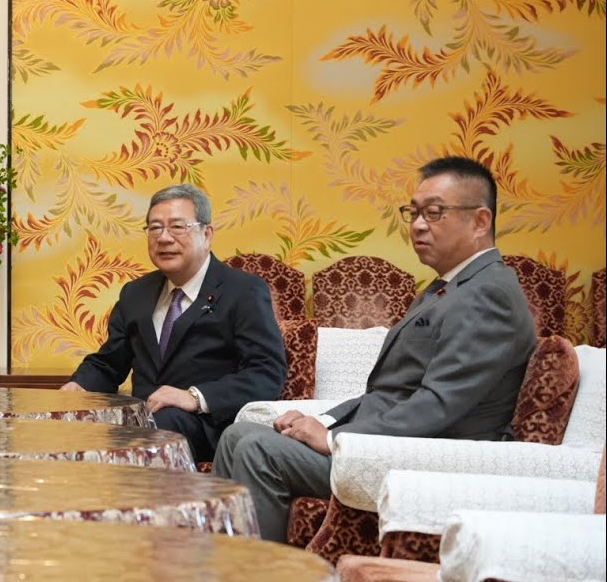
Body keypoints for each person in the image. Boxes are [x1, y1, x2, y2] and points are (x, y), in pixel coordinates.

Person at [212, 156, 538, 542]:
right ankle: (224, 561)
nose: (418, 225)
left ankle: (257, 568)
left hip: (428, 458)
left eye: (434, 213)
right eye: (413, 213)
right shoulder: (449, 288)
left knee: (256, 449)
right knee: (237, 434)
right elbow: (387, 393)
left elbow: (438, 404)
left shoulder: (488, 294)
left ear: (480, 221)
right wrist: (324, 421)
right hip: (390, 443)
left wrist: (333, 440)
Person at [60, 183, 287, 463]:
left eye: (177, 227)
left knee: (145, 431)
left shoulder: (243, 291)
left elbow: (267, 373)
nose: (164, 238)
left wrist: (195, 397)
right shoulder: (136, 293)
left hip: (206, 427)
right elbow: (109, 363)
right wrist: (79, 387)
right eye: (155, 228)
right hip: (144, 423)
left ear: (207, 234)